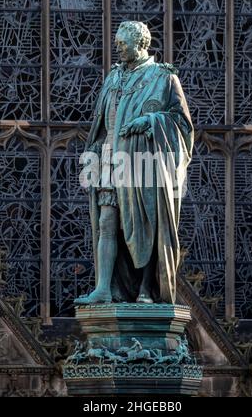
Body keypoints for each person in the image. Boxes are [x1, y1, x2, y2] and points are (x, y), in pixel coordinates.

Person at [76, 21, 193, 305]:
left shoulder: (163, 78)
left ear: (140, 44)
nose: (116, 47)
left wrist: (151, 121)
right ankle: (104, 287)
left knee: (148, 226)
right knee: (106, 222)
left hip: (145, 164)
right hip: (109, 159)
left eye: (121, 43)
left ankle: (145, 289)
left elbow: (182, 125)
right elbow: (101, 125)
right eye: (116, 42)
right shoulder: (113, 78)